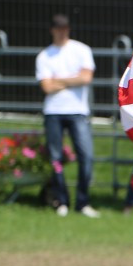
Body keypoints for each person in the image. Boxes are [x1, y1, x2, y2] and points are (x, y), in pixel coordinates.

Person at [36, 13, 98, 217]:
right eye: (59, 28)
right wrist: (73, 79)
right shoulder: (45, 56)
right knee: (55, 158)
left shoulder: (81, 50)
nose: (62, 32)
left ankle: (82, 202)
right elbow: (46, 87)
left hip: (78, 111)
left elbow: (86, 78)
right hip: (53, 111)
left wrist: (59, 80)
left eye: (65, 28)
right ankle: (61, 200)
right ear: (52, 30)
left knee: (86, 157)